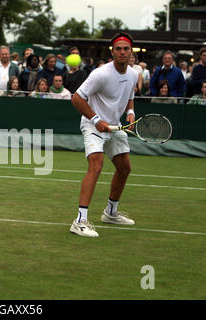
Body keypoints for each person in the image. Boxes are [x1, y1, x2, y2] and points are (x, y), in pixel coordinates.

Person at [70, 32, 138, 237]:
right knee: (96, 166)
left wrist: (131, 112)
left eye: (126, 49)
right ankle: (80, 221)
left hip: (114, 126)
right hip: (93, 125)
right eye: (118, 49)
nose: (122, 52)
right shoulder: (101, 74)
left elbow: (129, 96)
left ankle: (110, 212)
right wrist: (96, 120)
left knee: (124, 168)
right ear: (112, 52)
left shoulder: (134, 74)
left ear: (131, 52)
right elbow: (77, 99)